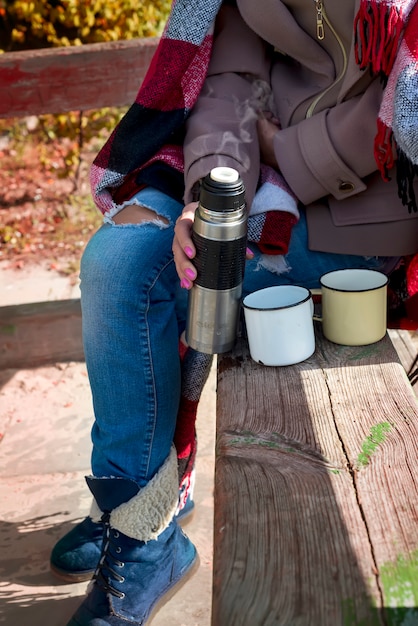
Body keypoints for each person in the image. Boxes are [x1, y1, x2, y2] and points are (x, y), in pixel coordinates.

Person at [53, 1, 418, 624]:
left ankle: (145, 506)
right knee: (117, 263)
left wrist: (291, 149)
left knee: (195, 283)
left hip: (370, 202)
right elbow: (229, 86)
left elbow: (398, 108)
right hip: (256, 166)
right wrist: (213, 196)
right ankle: (140, 515)